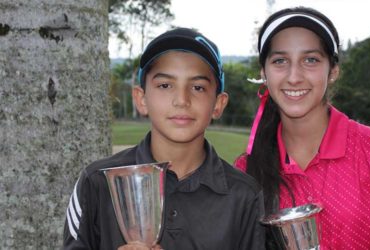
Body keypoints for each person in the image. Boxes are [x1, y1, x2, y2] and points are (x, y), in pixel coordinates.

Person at [63, 27, 266, 250]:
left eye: (198, 87)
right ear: (141, 99)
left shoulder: (244, 195)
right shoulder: (97, 183)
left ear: (218, 104)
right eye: (165, 85)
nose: (181, 100)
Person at [234, 6, 370, 249]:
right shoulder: (246, 171)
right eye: (280, 61)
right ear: (264, 72)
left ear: (333, 71)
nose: (294, 76)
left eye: (310, 60)